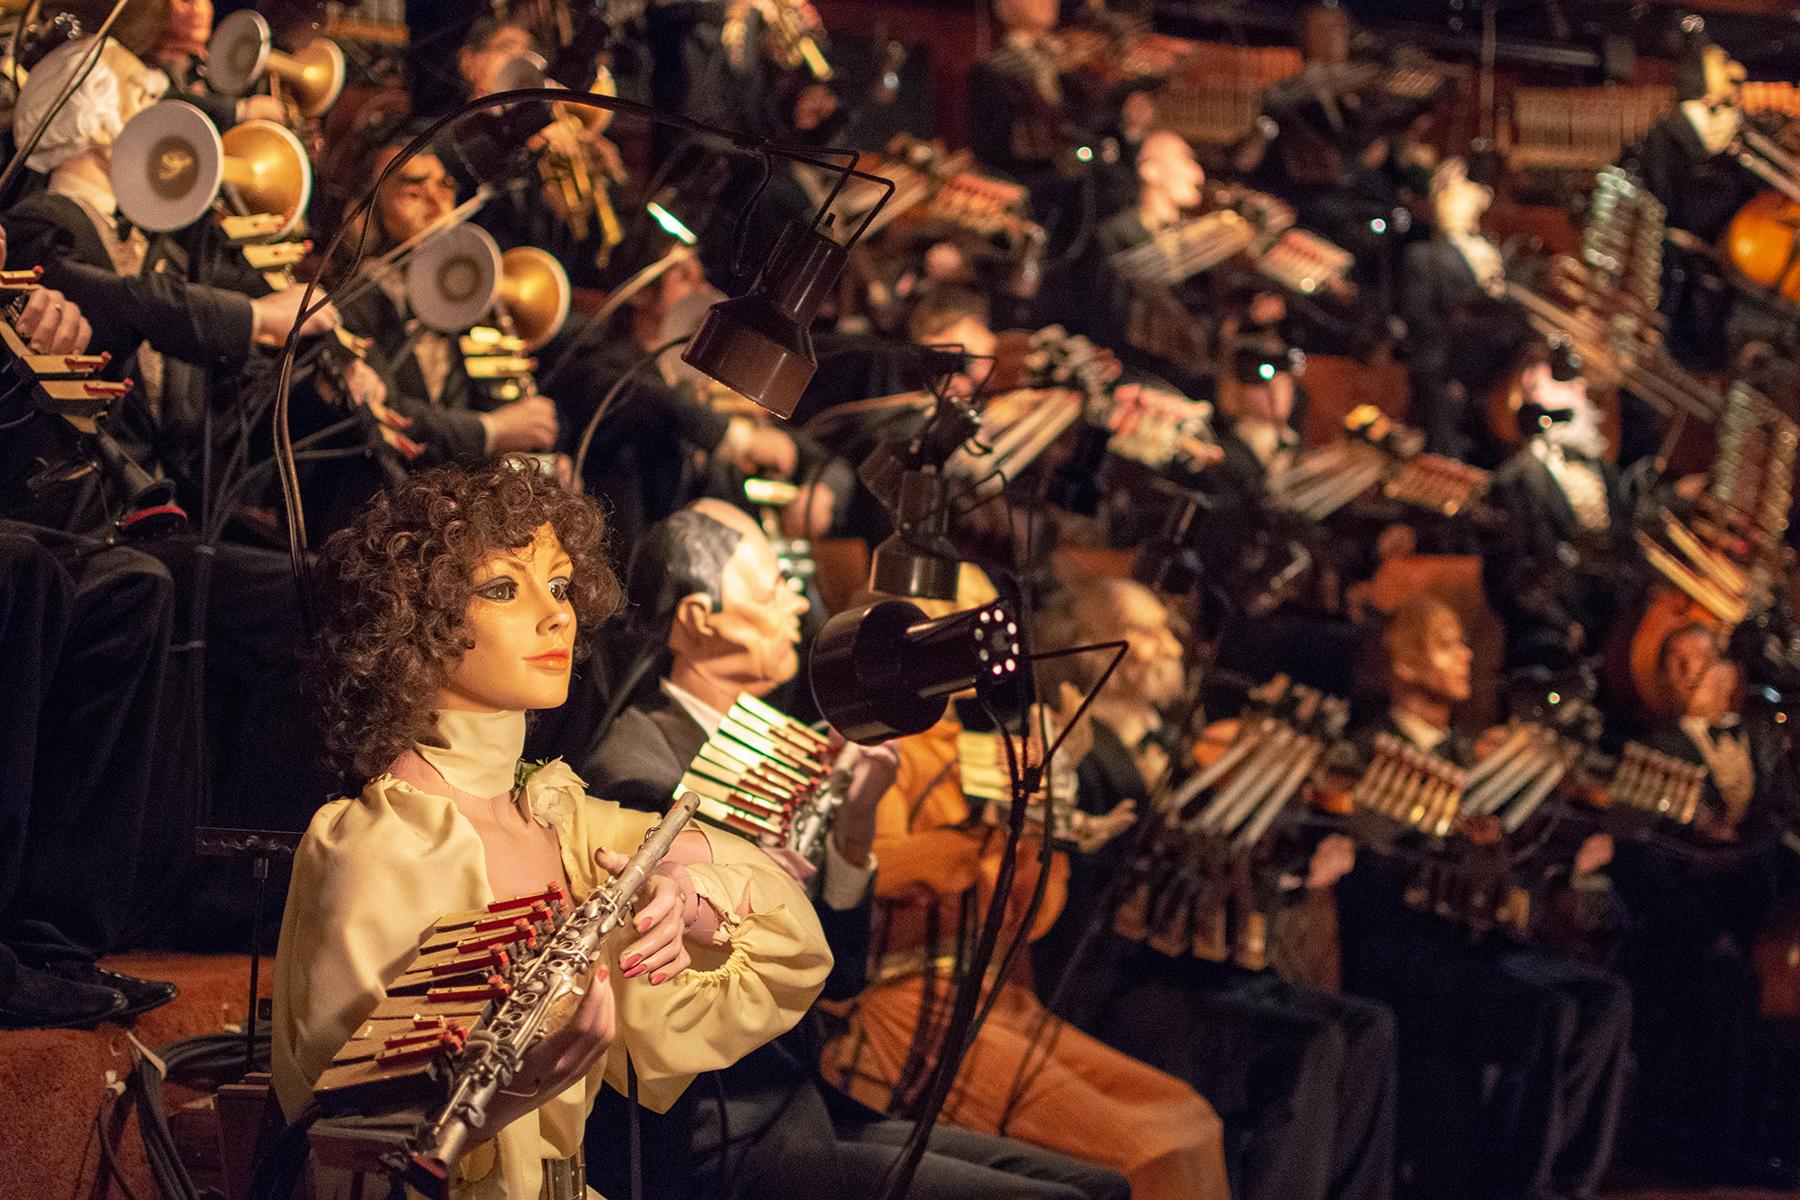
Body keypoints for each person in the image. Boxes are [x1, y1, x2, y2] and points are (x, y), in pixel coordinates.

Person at [274, 461, 834, 1200]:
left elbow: (792, 939)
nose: (557, 615)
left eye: (562, 586)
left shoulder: (564, 820)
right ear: (419, 617)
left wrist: (689, 901)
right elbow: (347, 1160)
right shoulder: (375, 845)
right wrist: (503, 1102)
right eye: (503, 588)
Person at [581, 500, 1129, 1200]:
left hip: (799, 1100)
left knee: (1100, 1187)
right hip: (724, 1129)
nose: (795, 604)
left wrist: (852, 829)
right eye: (773, 586)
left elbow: (838, 977)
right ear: (698, 619)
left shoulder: (783, 737)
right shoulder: (640, 769)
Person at [822, 565, 1232, 1200]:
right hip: (899, 999)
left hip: (985, 993)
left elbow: (1027, 920)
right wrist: (987, 832)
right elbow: (877, 870)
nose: (993, 641)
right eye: (971, 621)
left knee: (1191, 1122)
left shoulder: (978, 750)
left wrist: (1042, 830)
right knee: (1150, 1154)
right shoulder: (884, 744)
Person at [1034, 577, 1399, 1200]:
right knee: (1308, 1046)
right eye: (1144, 630)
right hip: (1116, 982)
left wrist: (1293, 867)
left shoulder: (1183, 747)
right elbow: (1090, 885)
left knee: (1369, 1029)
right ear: (1092, 647)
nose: (1171, 644)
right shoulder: (1071, 746)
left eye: (1167, 628)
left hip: (1195, 966)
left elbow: (1227, 865)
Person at [1336, 594, 1631, 1200]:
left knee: (1606, 1000)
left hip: (1475, 943)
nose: (1467, 654)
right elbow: (1374, 853)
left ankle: (1559, 1181)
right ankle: (1512, 1186)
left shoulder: (1473, 757)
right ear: (1405, 663)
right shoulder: (1366, 753)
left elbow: (1511, 855)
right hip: (1408, 951)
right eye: (1447, 643)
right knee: (1550, 1012)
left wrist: (1562, 857)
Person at [1608, 622, 1800, 1186]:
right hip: (1688, 923)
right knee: (1727, 989)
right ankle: (1716, 1147)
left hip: (1764, 912)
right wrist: (1698, 927)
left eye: (1702, 658)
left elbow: (1783, 813)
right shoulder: (1651, 749)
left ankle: (1777, 1138)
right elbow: (1637, 858)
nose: (1691, 671)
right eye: (1677, 662)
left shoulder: (1761, 736)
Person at [1481, 344, 1645, 671]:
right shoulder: (1514, 483)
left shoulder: (1606, 475)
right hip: (1549, 647)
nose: (1580, 392)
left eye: (1576, 383)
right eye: (1564, 386)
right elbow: (1508, 587)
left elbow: (1629, 550)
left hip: (1618, 642)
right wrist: (1566, 570)